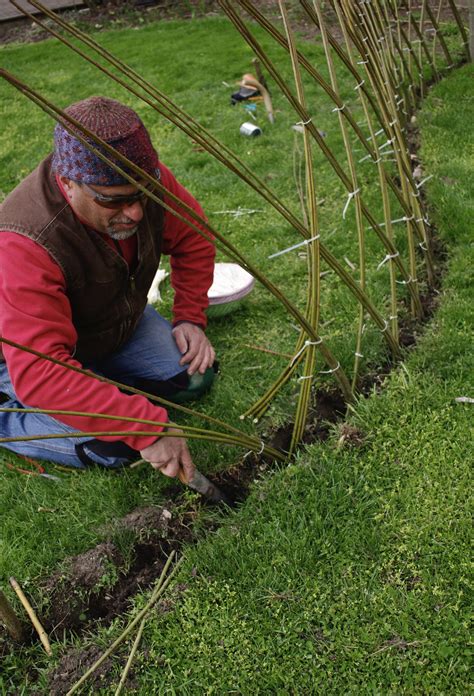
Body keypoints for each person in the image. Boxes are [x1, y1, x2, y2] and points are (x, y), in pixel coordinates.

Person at [0, 96, 217, 480]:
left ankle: (94, 380)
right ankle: (7, 415)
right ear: (67, 183)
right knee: (116, 445)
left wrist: (189, 317)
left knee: (194, 377)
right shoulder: (25, 242)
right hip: (22, 361)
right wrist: (145, 427)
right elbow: (41, 370)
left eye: (140, 196)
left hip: (110, 324)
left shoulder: (141, 181)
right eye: (113, 202)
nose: (134, 213)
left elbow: (195, 239)